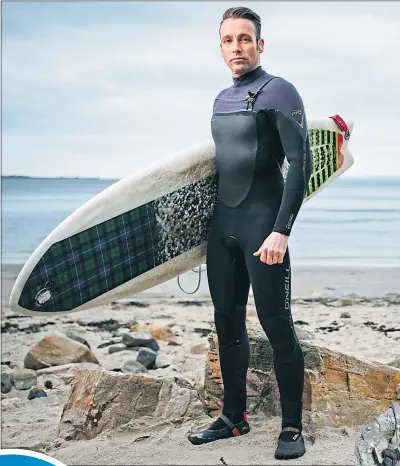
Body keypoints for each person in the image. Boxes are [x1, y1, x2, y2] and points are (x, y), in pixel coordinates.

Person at [187, 6, 313, 461]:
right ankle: (233, 417)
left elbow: (301, 163)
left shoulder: (278, 90)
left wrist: (281, 231)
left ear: (260, 44)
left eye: (244, 38)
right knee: (227, 323)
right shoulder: (221, 98)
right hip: (222, 230)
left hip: (263, 227)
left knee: (277, 325)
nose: (236, 47)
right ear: (220, 47)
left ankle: (293, 426)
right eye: (228, 40)